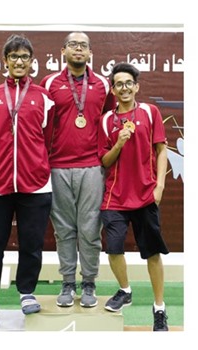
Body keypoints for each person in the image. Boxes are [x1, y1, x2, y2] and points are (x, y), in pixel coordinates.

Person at [0, 34, 55, 328]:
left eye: (24, 57)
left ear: (32, 62)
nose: (19, 62)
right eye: (14, 57)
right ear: (5, 62)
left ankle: (26, 292)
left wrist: (33, 164)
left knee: (32, 242)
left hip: (35, 183)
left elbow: (46, 140)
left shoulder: (44, 99)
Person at [39, 32, 116, 308]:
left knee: (90, 229)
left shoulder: (104, 85)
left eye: (83, 45)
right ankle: (68, 282)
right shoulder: (49, 83)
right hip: (57, 166)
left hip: (93, 167)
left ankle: (90, 282)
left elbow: (109, 120)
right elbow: (40, 122)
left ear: (91, 53)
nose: (78, 49)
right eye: (73, 44)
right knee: (63, 229)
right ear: (63, 51)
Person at [98, 62, 169, 331]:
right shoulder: (106, 120)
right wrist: (119, 141)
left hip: (145, 195)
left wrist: (159, 185)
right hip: (114, 197)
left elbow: (161, 150)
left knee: (151, 253)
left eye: (129, 83)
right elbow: (105, 160)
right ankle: (125, 290)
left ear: (136, 87)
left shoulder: (151, 113)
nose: (124, 88)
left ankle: (159, 308)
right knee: (113, 249)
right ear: (113, 90)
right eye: (119, 84)